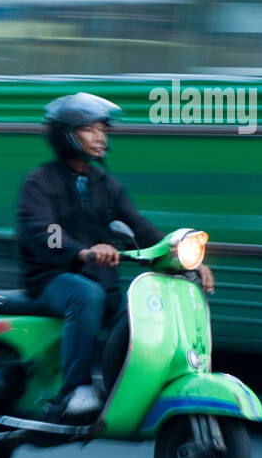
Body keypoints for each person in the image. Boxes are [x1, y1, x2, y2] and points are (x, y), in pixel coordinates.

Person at [14, 93, 216, 420]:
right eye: (90, 130)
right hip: (51, 279)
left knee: (141, 309)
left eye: (103, 130)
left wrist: (184, 256)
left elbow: (138, 226)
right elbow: (43, 231)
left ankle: (123, 388)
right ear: (66, 135)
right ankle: (74, 391)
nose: (100, 137)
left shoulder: (104, 183)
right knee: (86, 296)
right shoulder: (39, 181)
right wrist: (81, 251)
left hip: (99, 279)